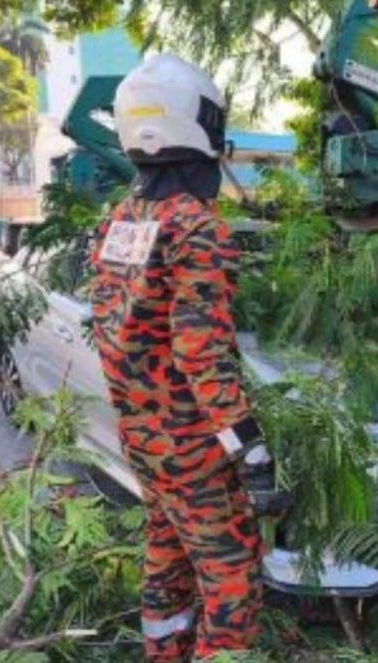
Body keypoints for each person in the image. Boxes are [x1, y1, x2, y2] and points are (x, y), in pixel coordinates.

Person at [90, 54, 287, 662]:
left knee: (167, 552)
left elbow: (110, 326)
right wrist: (250, 449)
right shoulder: (197, 227)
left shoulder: (122, 220)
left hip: (141, 436)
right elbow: (200, 354)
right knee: (232, 577)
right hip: (189, 442)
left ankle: (164, 653)